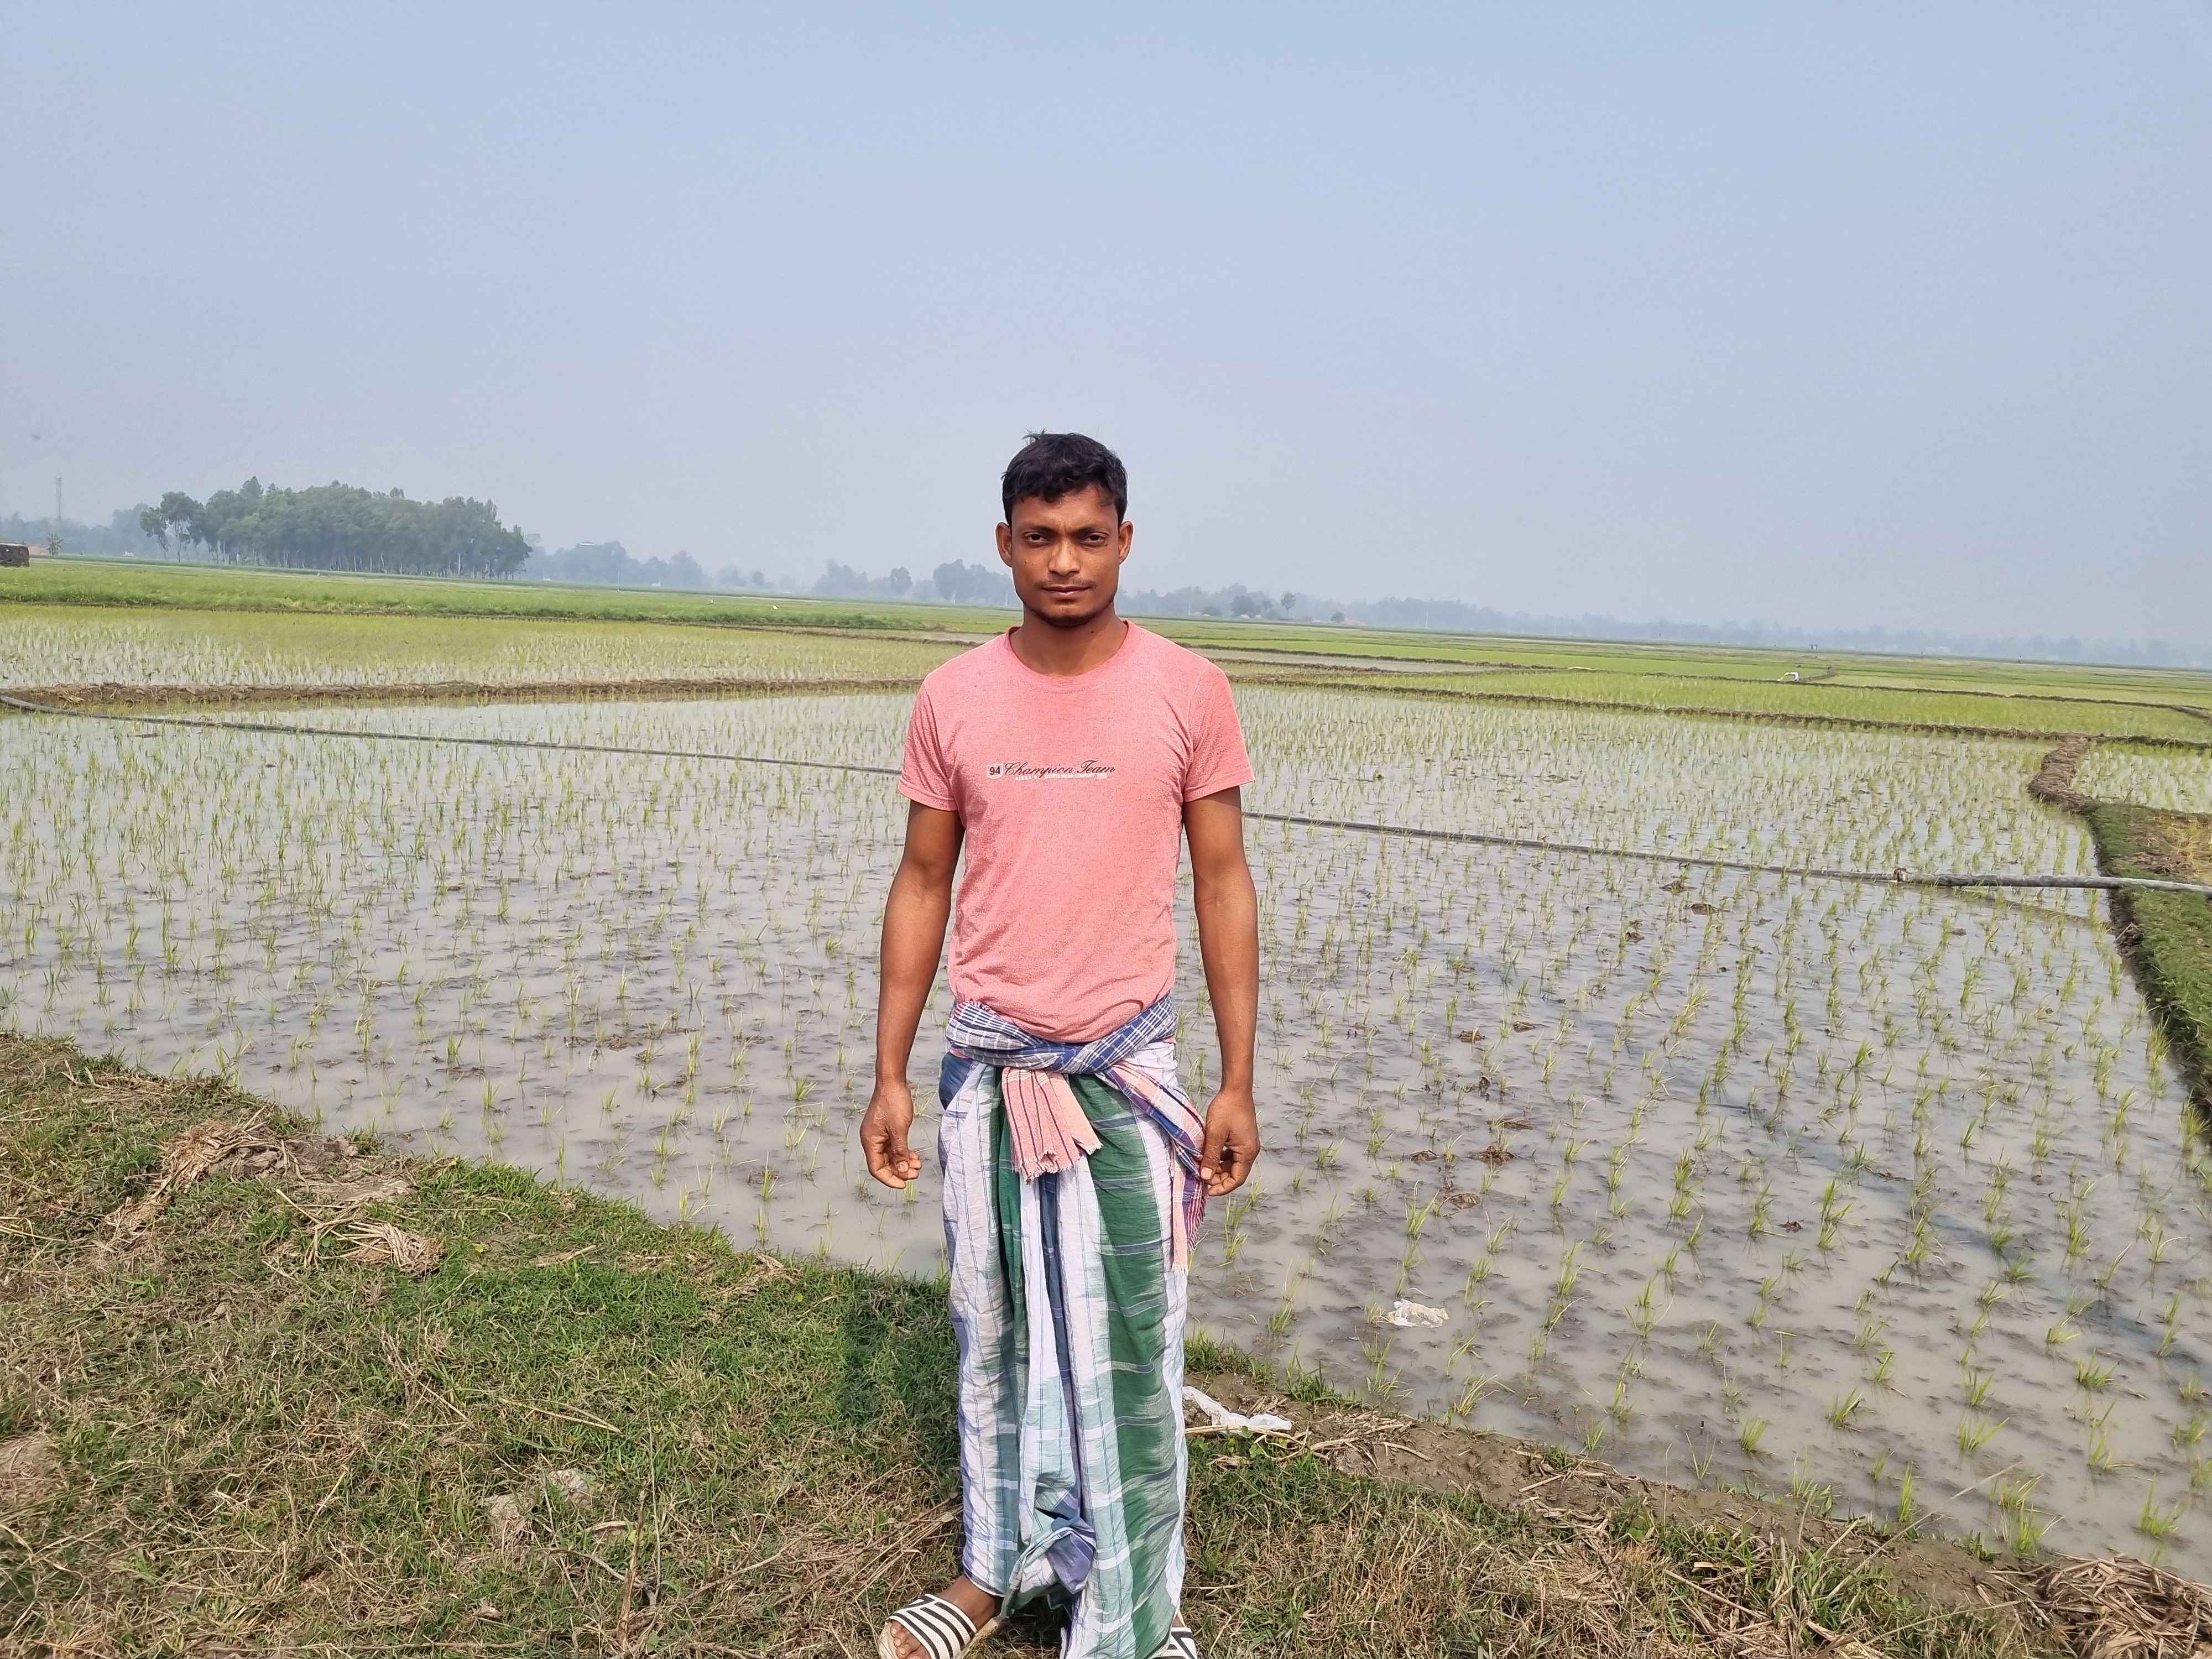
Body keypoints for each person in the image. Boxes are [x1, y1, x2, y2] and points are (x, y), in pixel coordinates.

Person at [862, 432, 1261, 1659]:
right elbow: (922, 881)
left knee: (1134, 1346)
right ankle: (996, 1568)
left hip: (1127, 1074)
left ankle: (1135, 1608)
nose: (1065, 561)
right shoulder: (953, 696)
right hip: (990, 1071)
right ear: (1004, 545)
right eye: (1039, 538)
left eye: (1089, 536)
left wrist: (1240, 1081)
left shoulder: (1187, 690)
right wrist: (886, 1072)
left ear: (1125, 541)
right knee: (994, 1334)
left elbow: (1224, 881)